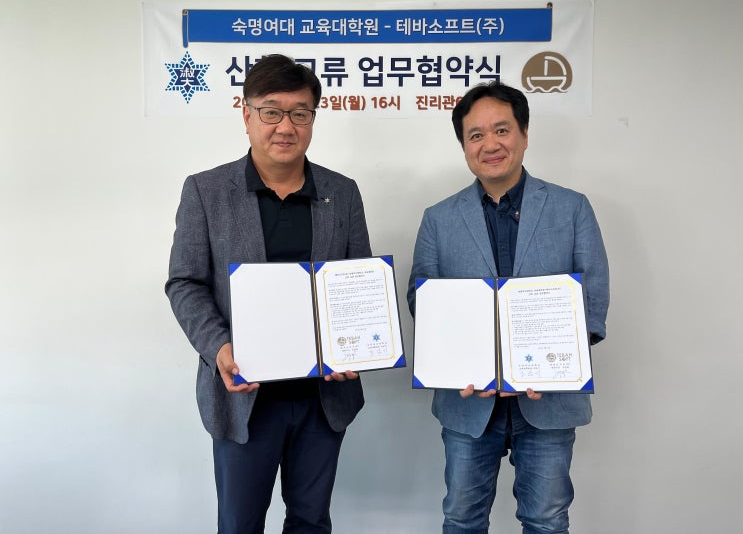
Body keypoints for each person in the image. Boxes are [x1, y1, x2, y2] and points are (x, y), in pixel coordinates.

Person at [165, 54, 371, 534]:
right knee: (240, 524)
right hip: (244, 396)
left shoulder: (342, 193)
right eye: (272, 111)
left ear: (313, 119)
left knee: (311, 522)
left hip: (322, 396)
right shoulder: (206, 191)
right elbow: (185, 282)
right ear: (247, 115)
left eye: (300, 113)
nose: (286, 126)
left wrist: (357, 345)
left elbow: (358, 282)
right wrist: (219, 347)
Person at [407, 82, 609, 534]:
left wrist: (553, 363)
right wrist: (455, 357)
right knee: (462, 519)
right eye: (476, 135)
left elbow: (592, 297)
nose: (490, 144)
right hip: (467, 401)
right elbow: (422, 298)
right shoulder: (438, 218)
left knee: (546, 520)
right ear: (464, 146)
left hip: (548, 399)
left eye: (501, 130)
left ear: (524, 134)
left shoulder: (572, 208)